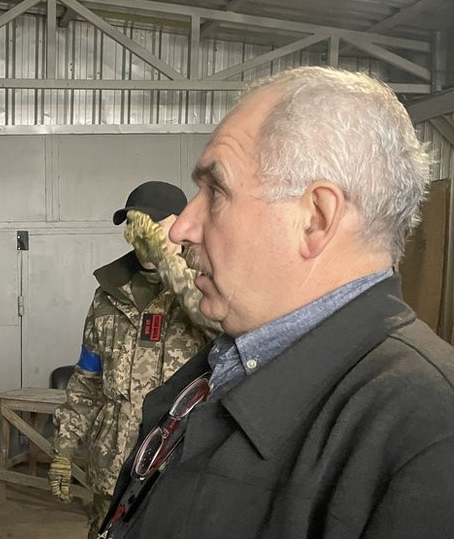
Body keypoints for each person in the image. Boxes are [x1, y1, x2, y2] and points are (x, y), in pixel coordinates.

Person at [100, 66, 454, 539]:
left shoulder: (428, 438)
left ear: (315, 219)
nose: (182, 228)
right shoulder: (228, 363)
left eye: (216, 192)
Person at [48, 181, 218, 535]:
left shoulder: (207, 284)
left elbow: (217, 325)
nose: (142, 234)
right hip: (111, 463)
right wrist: (64, 448)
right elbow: (88, 378)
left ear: (181, 224)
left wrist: (168, 261)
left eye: (154, 224)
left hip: (176, 462)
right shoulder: (108, 294)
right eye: (134, 224)